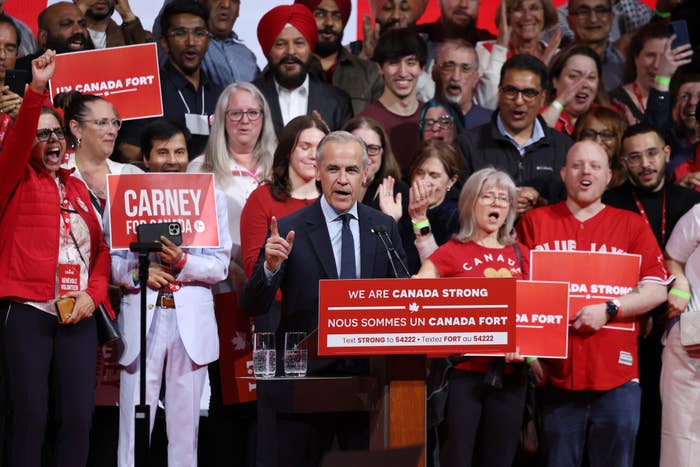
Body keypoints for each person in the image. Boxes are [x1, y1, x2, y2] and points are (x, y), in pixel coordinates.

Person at [241, 131, 406, 466]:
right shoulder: (291, 229)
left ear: (365, 175)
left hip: (367, 380)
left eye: (351, 170)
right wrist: (270, 268)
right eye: (333, 169)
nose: (342, 180)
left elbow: (400, 294)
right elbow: (253, 304)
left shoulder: (383, 228)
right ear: (317, 172)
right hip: (308, 382)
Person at [517, 140, 671, 467]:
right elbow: (518, 292)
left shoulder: (630, 224)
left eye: (595, 166)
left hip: (618, 376)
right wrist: (530, 354)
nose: (585, 171)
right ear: (563, 173)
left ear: (608, 176)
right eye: (577, 165)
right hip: (557, 375)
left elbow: (657, 289)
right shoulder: (535, 223)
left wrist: (610, 309)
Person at [0, 50, 112, 467]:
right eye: (41, 134)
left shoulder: (79, 190)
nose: (51, 142)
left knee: (78, 419)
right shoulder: (12, 179)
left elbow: (100, 252)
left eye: (57, 134)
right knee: (30, 416)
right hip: (28, 310)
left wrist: (94, 294)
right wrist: (37, 89)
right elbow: (17, 139)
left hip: (77, 314)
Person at [111, 119, 232, 467]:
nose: (172, 159)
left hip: (189, 321)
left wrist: (182, 261)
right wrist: (140, 273)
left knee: (186, 431)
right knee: (133, 430)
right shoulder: (125, 196)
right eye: (162, 152)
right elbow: (113, 263)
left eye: (179, 151)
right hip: (141, 319)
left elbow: (219, 267)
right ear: (146, 158)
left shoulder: (211, 198)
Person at [415, 168, 529, 467]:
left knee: (500, 459)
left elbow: (540, 313)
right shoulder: (452, 251)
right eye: (487, 196)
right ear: (469, 203)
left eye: (503, 198)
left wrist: (529, 351)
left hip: (510, 376)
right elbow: (415, 297)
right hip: (462, 375)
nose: (496, 203)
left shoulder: (523, 255)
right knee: (457, 458)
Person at [602, 123, 700, 467]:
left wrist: (680, 284)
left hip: (680, 325)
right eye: (635, 156)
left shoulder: (691, 202)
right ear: (623, 163)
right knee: (633, 419)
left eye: (652, 153)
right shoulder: (610, 204)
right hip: (630, 323)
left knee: (677, 423)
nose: (645, 163)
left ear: (667, 154)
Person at [188, 81, 277, 296]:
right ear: (221, 119)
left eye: (253, 113)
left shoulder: (281, 165)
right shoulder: (200, 169)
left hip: (274, 278)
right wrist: (232, 269)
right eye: (235, 113)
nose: (244, 121)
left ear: (263, 118)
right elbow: (195, 236)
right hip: (223, 282)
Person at [458, 54, 572, 215]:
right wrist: (499, 205)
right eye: (511, 91)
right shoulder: (468, 145)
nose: (519, 101)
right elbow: (453, 207)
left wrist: (542, 205)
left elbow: (574, 210)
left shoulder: (564, 148)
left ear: (542, 98)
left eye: (529, 93)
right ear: (499, 92)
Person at [116, 0, 222, 162]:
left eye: (199, 33)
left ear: (208, 41)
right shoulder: (147, 90)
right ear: (164, 43)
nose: (191, 42)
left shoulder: (220, 95)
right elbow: (127, 150)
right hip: (162, 184)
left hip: (213, 185)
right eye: (180, 33)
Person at [241, 115, 327, 280]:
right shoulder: (261, 199)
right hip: (278, 302)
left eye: (320, 148)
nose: (313, 155)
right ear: (288, 150)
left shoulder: (333, 200)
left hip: (327, 300)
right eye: (305, 147)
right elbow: (253, 268)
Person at [253, 3, 353, 136]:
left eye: (299, 43)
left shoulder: (337, 101)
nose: (291, 51)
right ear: (268, 51)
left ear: (310, 48)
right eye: (280, 44)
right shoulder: (250, 97)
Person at [343, 115, 414, 270]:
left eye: (373, 149)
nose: (365, 155)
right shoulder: (330, 188)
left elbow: (407, 259)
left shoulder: (399, 192)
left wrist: (391, 222)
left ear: (383, 152)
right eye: (358, 146)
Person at [661, 203, 700, 467]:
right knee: (682, 444)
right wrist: (680, 281)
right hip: (694, 327)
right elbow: (672, 258)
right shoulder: (699, 214)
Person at [61, 91, 143, 215]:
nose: (113, 131)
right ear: (77, 129)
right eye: (102, 123)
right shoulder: (60, 179)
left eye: (115, 123)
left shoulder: (132, 175)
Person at [359, 27, 427, 176]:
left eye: (411, 62)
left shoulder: (432, 118)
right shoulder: (366, 122)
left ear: (422, 68)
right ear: (380, 68)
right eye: (394, 63)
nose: (403, 72)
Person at [296, 0, 383, 115]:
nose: (329, 22)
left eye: (336, 16)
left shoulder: (368, 73)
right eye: (320, 14)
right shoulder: (290, 68)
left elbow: (379, 125)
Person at [476, 0, 560, 110]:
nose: (527, 17)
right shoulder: (486, 51)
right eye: (518, 9)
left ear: (545, 14)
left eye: (534, 8)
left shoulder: (557, 56)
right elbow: (487, 106)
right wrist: (500, 48)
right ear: (506, 15)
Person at [610, 22, 693, 124]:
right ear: (636, 57)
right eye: (650, 55)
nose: (657, 65)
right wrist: (662, 78)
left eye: (664, 57)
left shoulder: (684, 101)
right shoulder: (616, 101)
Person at [406, 140, 462, 267]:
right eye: (419, 173)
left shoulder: (458, 217)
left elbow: (441, 271)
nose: (425, 181)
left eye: (434, 175)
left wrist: (421, 222)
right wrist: (390, 220)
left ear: (451, 181)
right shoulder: (398, 208)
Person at [541, 45, 608, 135]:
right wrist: (560, 102)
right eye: (574, 76)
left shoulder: (607, 116)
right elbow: (537, 137)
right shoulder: (539, 115)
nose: (583, 84)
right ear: (555, 81)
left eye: (591, 77)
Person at [14, 2, 92, 75]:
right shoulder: (21, 71)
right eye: (67, 24)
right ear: (43, 38)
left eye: (82, 24)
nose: (79, 30)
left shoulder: (99, 64)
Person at [433, 39, 492, 129]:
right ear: (434, 73)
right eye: (448, 67)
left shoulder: (492, 124)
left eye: (465, 69)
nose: (456, 77)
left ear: (475, 78)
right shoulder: (416, 121)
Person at [566, 0, 623, 91]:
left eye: (600, 11)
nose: (593, 19)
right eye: (583, 12)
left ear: (612, 18)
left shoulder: (629, 63)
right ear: (569, 21)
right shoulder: (557, 65)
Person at [200, 0, 259, 87]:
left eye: (234, 0)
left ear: (238, 10)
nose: (226, 5)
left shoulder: (248, 56)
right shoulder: (193, 46)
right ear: (202, 3)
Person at [571, 105, 627, 187]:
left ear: (619, 139)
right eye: (589, 134)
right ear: (578, 137)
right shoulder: (567, 179)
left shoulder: (629, 181)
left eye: (607, 135)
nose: (597, 141)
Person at [74, 0, 150, 49]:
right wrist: (78, 9)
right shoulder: (64, 35)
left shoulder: (144, 37)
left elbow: (147, 61)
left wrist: (128, 15)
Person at [0, 15, 21, 127]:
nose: (2, 55)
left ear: (17, 54)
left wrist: (27, 117)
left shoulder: (32, 96)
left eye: (10, 49)